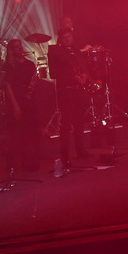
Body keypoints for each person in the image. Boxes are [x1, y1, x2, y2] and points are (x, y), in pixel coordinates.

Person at [48, 27, 91, 166]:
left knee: (79, 123)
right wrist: (72, 77)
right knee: (65, 124)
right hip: (66, 91)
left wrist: (84, 76)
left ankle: (80, 150)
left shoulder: (76, 51)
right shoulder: (55, 51)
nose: (68, 39)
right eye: (65, 37)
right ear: (60, 39)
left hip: (78, 91)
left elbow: (84, 67)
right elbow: (53, 73)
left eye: (69, 36)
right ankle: (65, 155)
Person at [2, 39, 40, 173]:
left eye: (20, 46)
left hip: (29, 100)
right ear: (12, 51)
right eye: (16, 47)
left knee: (30, 132)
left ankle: (29, 162)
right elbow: (7, 86)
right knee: (16, 135)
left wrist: (30, 92)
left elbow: (34, 80)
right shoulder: (8, 66)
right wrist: (15, 106)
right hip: (16, 100)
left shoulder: (30, 64)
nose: (20, 49)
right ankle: (13, 165)